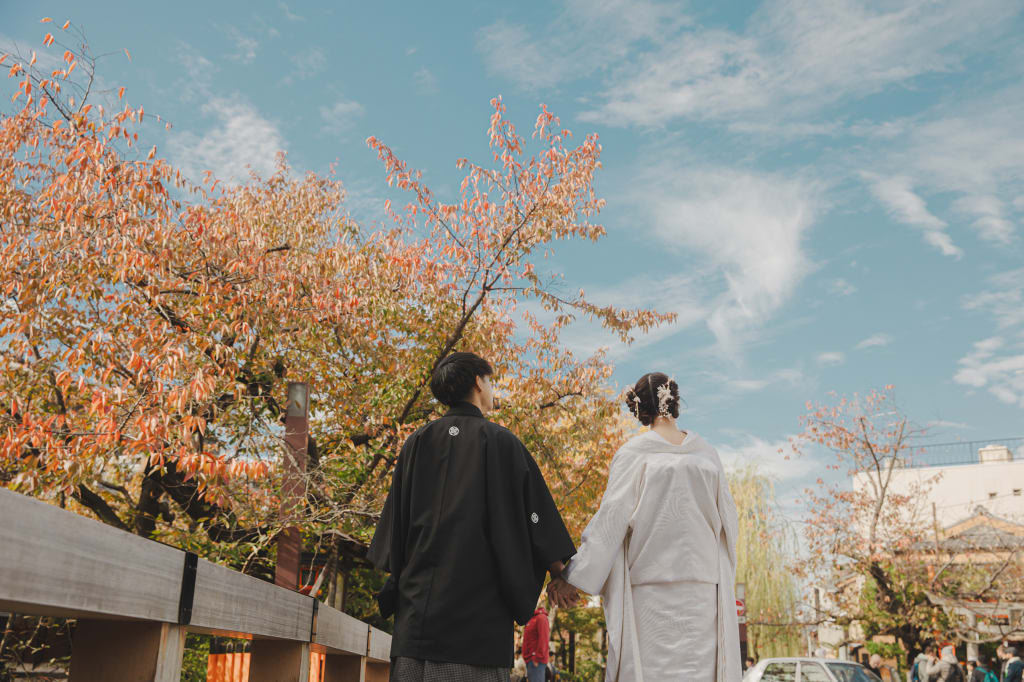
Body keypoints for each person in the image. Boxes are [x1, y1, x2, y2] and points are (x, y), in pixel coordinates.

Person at [369, 352, 578, 682]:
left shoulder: (416, 443)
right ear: (479, 382)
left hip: (415, 624)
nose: (493, 389)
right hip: (474, 627)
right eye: (491, 381)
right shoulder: (502, 443)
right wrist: (558, 572)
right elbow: (534, 514)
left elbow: (395, 525)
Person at [548, 372, 741, 682]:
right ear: (674, 402)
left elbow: (610, 523)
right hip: (705, 590)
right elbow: (728, 524)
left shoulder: (634, 455)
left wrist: (573, 577)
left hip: (651, 591)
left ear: (640, 409)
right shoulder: (707, 456)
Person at [522, 606, 551, 682]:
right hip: (530, 660)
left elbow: (544, 639)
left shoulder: (541, 618)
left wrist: (537, 658)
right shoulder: (532, 618)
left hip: (536, 661)